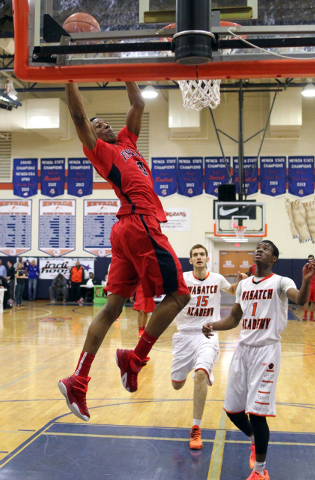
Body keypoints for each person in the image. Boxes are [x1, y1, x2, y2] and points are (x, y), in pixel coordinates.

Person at [58, 81, 190, 422]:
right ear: (95, 135)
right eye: (98, 125)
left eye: (105, 123)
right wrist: (70, 80)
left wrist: (124, 70)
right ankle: (135, 358)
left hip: (126, 231)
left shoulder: (128, 141)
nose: (105, 126)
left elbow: (137, 103)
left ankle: (78, 380)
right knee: (179, 296)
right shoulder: (99, 151)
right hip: (139, 223)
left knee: (112, 308)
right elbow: (77, 116)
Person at [202, 240, 315, 480]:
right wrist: (213, 324)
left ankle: (260, 471)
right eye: (258, 247)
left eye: (266, 248)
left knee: (257, 413)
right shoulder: (243, 285)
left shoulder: (281, 282)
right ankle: (255, 440)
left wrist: (306, 281)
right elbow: (233, 319)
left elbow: (300, 300)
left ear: (274, 259)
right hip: (243, 350)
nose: (260, 249)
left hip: (267, 351)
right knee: (233, 410)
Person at [171, 244, 245, 450]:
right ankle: (184, 370)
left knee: (201, 374)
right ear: (190, 260)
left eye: (202, 254)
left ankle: (196, 428)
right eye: (195, 255)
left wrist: (239, 284)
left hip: (207, 334)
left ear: (207, 258)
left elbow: (231, 289)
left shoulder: (217, 278)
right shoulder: (183, 278)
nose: (199, 257)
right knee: (176, 384)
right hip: (184, 335)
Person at [302, 254, 315, 321]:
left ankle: (311, 316)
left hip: (314, 286)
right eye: (309, 259)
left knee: (313, 302)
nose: (310, 260)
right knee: (306, 301)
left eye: (311, 259)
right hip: (309, 286)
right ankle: (305, 315)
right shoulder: (307, 267)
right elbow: (304, 277)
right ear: (308, 260)